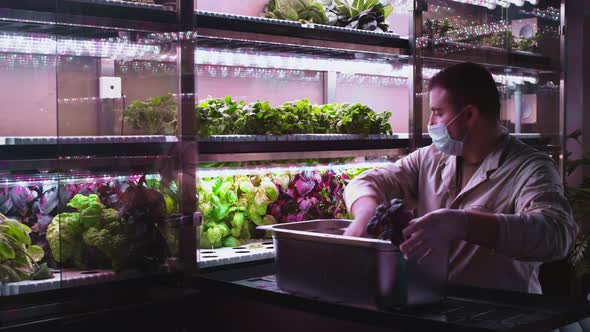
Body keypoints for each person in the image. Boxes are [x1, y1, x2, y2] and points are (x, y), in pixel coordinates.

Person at [343, 62, 578, 294]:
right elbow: (366, 182)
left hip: (503, 315)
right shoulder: (429, 158)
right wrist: (366, 214)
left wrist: (463, 224)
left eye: (437, 113)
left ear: (469, 115)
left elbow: (556, 234)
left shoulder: (530, 168)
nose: (430, 124)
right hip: (433, 306)